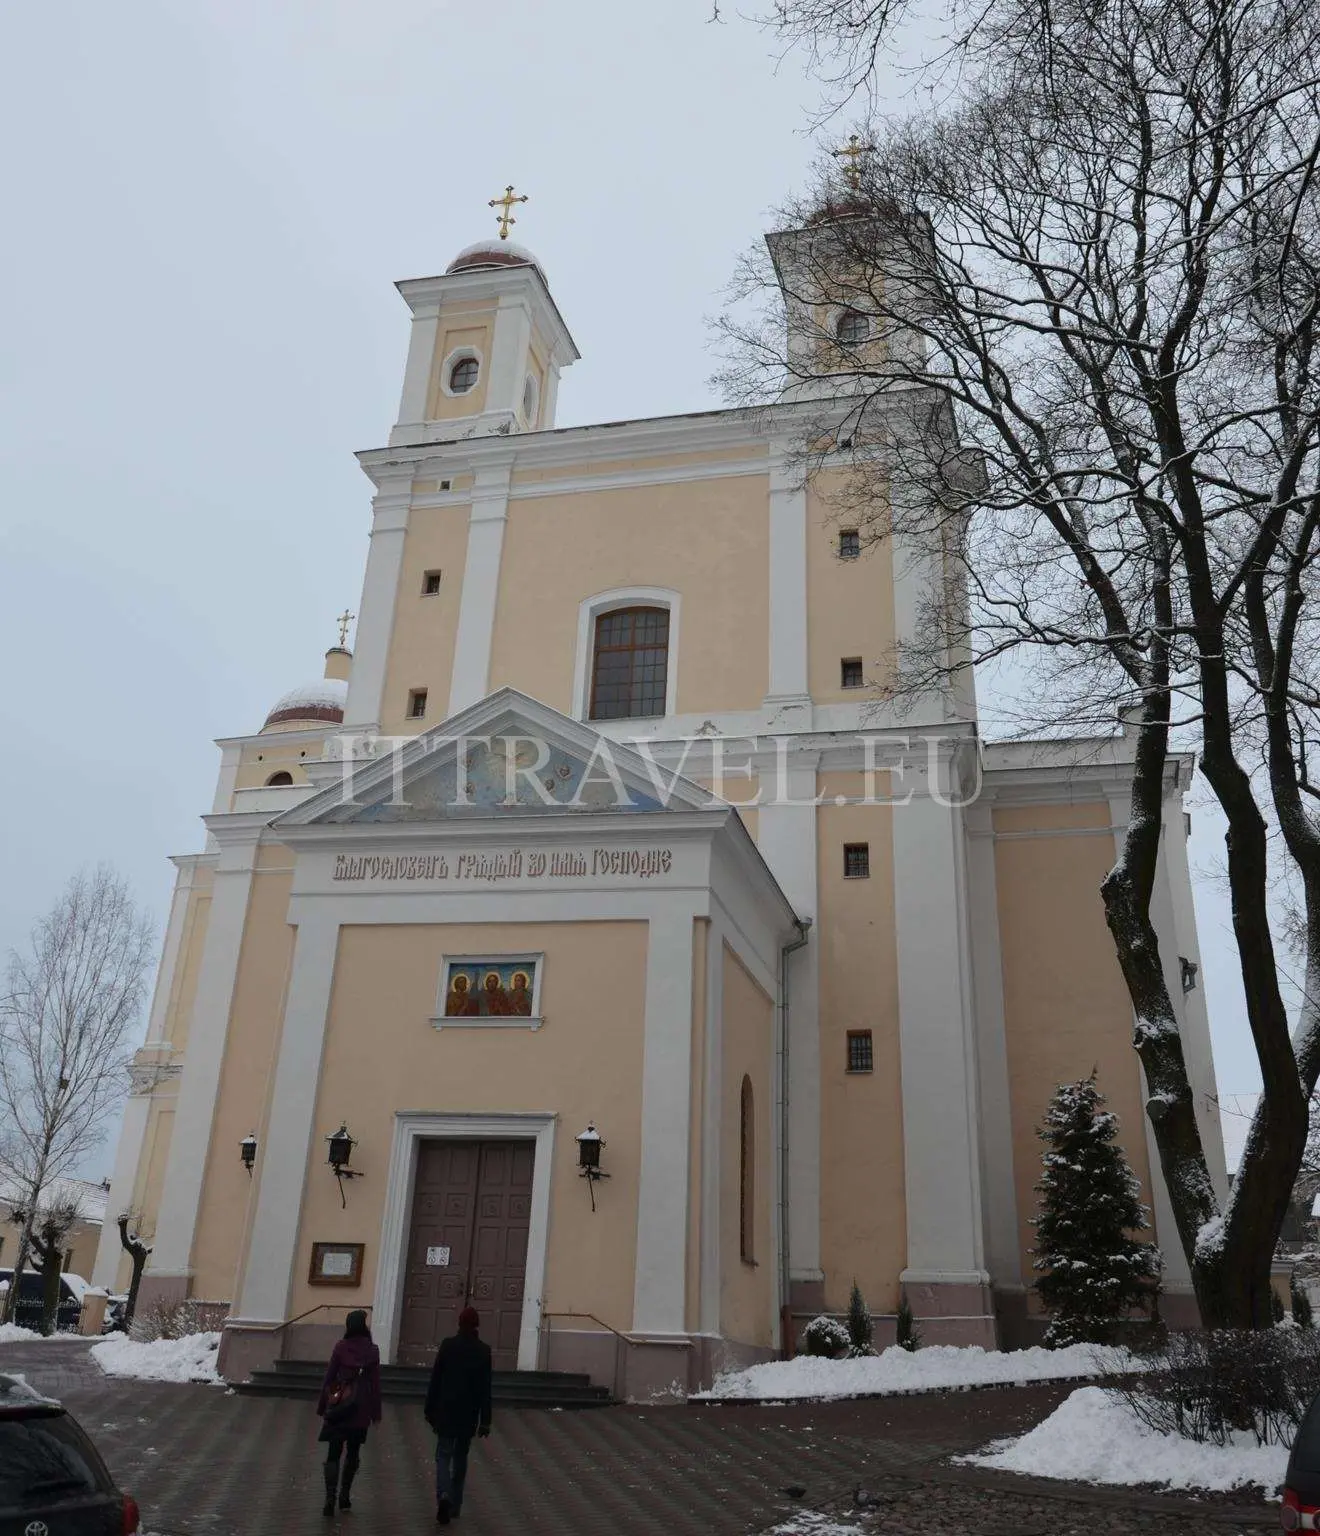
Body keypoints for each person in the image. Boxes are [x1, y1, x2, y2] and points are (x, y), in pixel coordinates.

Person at [424, 1305, 492, 1524]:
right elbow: (485, 1389)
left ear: (459, 1323)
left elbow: (435, 1380)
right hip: (468, 1413)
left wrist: (429, 1408)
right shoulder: (483, 1350)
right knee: (460, 1458)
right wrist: (485, 1421)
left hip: (446, 1409)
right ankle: (455, 1504)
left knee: (443, 1455)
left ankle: (444, 1493)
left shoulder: (448, 1346)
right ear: (476, 1325)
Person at [315, 1309, 382, 1517]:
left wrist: (322, 1405)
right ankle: (344, 1496)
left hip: (339, 1406)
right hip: (360, 1408)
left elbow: (329, 1377)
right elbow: (375, 1384)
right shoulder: (372, 1351)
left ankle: (329, 1497)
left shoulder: (341, 1347)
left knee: (334, 1452)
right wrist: (375, 1412)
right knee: (353, 1452)